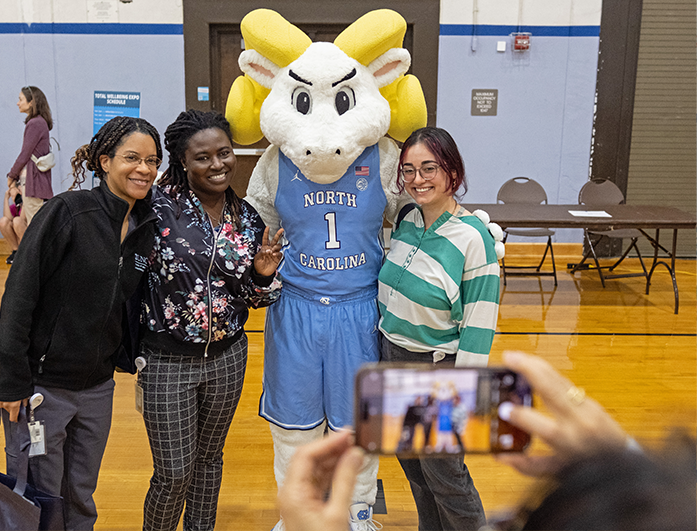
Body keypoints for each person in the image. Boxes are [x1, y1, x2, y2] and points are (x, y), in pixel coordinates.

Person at [279, 352, 696, 531]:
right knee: (425, 479)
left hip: (442, 372)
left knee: (447, 479)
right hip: (408, 361)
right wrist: (622, 460)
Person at [0, 116, 161, 530]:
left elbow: (127, 301)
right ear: (105, 161)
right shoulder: (67, 212)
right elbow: (19, 296)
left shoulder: (145, 225)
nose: (144, 169)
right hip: (42, 389)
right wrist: (10, 381)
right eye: (132, 158)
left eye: (153, 161)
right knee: (38, 497)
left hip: (98, 389)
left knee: (80, 497)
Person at [136, 109, 283, 531]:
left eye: (223, 153)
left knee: (208, 461)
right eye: (203, 157)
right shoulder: (157, 209)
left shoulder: (247, 218)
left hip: (228, 358)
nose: (217, 164)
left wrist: (261, 274)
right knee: (173, 473)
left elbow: (252, 298)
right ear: (182, 161)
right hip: (166, 362)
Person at [377, 126, 501, 530]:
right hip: (392, 360)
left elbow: (480, 326)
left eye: (429, 168)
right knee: (415, 471)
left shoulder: (473, 239)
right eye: (409, 170)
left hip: (437, 370)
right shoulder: (407, 219)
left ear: (452, 172)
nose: (417, 180)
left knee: (447, 478)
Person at [5, 85, 54, 260]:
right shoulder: (40, 122)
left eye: (21, 99)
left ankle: (38, 262)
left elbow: (25, 154)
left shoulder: (35, 123)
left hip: (33, 181)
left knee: (35, 224)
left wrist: (11, 175)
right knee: (34, 222)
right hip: (33, 180)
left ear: (31, 102)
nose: (17, 103)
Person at [0, 183, 27, 264]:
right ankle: (15, 251)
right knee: (3, 221)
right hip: (17, 238)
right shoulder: (14, 207)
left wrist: (24, 198)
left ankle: (24, 252)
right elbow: (7, 219)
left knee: (17, 221)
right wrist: (6, 198)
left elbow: (22, 219)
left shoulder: (28, 205)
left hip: (26, 234)